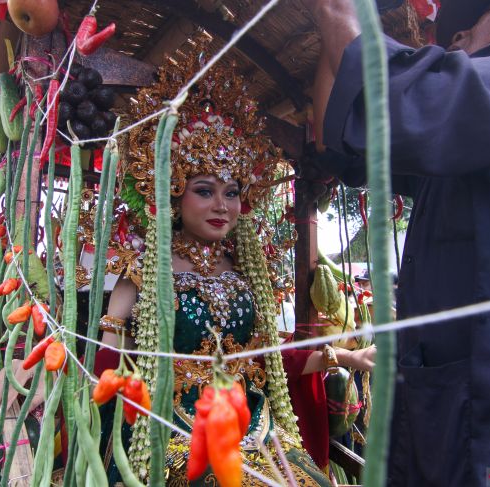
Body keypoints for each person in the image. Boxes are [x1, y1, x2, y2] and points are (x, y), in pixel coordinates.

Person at [304, 0, 490, 485]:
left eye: (470, 27)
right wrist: (329, 26)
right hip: (450, 412)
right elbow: (336, 147)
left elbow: (405, 105)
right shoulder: (468, 145)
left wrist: (338, 11)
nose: (455, 42)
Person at [93, 42, 376, 485]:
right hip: (172, 430)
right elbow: (105, 366)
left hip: (256, 427)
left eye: (232, 192)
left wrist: (347, 356)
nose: (222, 205)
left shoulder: (246, 272)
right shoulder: (143, 273)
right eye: (204, 190)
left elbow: (269, 361)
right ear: (172, 192)